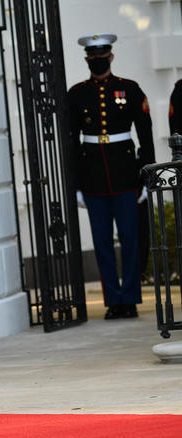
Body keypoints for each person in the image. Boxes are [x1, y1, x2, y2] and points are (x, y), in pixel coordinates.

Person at [68, 34, 155, 319]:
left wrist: (145, 176)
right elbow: (71, 141)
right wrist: (76, 184)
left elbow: (145, 136)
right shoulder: (77, 93)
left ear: (111, 57)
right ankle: (112, 301)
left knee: (130, 239)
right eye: (93, 58)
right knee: (102, 243)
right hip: (92, 178)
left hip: (126, 176)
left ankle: (129, 298)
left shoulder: (129, 89)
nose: (98, 61)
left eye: (102, 56)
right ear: (87, 60)